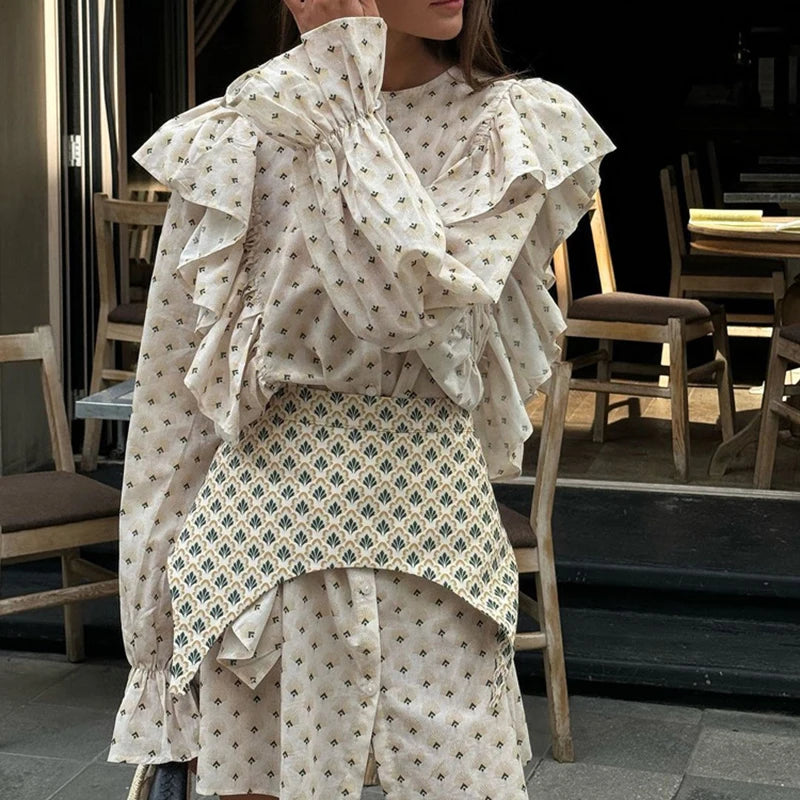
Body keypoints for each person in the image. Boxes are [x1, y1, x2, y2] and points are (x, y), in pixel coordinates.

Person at [108, 0, 614, 797]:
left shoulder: (510, 128)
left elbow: (407, 307)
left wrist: (340, 96)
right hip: (253, 572)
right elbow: (172, 407)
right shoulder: (238, 136)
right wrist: (155, 638)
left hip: (438, 558)